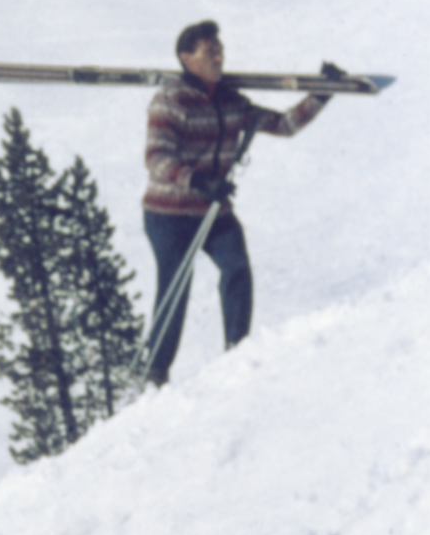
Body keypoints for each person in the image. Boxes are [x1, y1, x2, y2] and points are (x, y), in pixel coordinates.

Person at [141, 24, 347, 385]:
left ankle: (237, 351)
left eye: (220, 49)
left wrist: (321, 94)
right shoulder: (170, 101)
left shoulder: (231, 101)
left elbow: (283, 124)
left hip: (213, 210)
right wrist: (199, 180)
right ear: (187, 59)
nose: (219, 57)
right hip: (169, 214)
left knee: (237, 269)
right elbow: (157, 158)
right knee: (175, 287)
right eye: (209, 51)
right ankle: (156, 371)